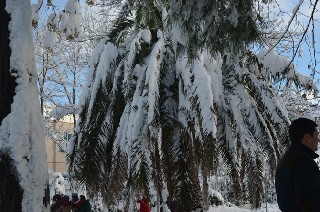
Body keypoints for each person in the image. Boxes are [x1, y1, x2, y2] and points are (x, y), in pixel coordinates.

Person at [275, 117, 320, 211]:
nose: (318, 139)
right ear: (307, 138)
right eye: (317, 135)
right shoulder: (303, 163)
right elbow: (309, 202)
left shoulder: (287, 160)